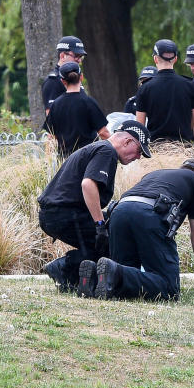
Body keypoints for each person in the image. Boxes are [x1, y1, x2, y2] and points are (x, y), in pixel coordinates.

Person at [79, 158, 194, 300]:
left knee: (122, 277)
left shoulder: (156, 174)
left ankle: (93, 280)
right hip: (148, 214)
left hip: (119, 211)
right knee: (169, 288)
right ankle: (113, 273)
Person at [39, 121, 152, 291]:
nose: (138, 157)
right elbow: (88, 185)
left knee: (106, 240)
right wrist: (99, 225)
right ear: (127, 142)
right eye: (139, 151)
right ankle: (64, 268)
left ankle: (71, 277)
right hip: (63, 214)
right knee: (113, 241)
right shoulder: (107, 152)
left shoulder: (100, 149)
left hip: (55, 213)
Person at [135, 39, 194, 147]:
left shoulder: (145, 88)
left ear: (155, 59)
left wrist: (141, 148)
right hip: (183, 148)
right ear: (175, 59)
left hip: (156, 150)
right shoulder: (190, 85)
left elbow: (139, 125)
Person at [44, 61, 110, 158]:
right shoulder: (88, 102)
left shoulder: (55, 105)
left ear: (63, 81)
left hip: (65, 161)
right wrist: (117, 146)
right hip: (88, 157)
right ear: (81, 77)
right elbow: (103, 133)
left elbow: (51, 137)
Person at [42, 35, 87, 114]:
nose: (79, 60)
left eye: (81, 57)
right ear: (62, 56)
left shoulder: (74, 76)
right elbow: (51, 117)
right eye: (76, 56)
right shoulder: (53, 81)